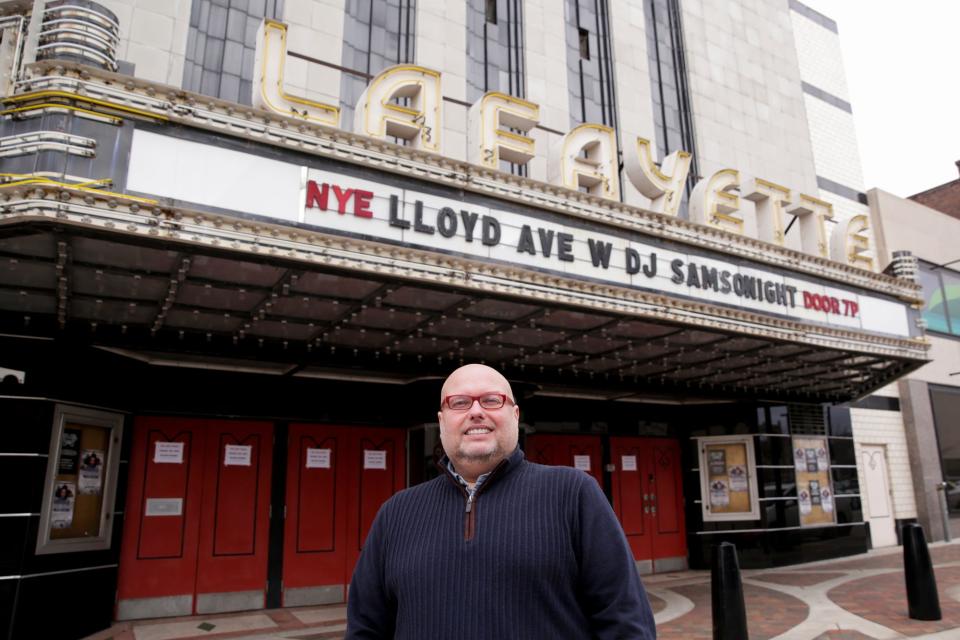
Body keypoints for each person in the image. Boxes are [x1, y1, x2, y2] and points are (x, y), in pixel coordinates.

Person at [346, 363, 656, 639]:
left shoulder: (574, 494)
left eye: (492, 400)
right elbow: (366, 628)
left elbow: (626, 621)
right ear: (442, 421)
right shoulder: (396, 513)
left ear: (515, 415)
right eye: (460, 403)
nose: (476, 411)